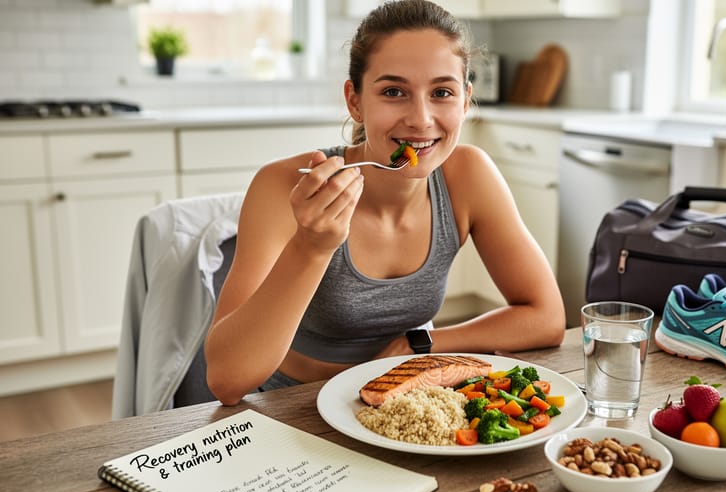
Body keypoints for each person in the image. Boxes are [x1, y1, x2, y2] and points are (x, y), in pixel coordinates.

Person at [205, 0, 565, 406]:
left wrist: (420, 343)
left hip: (407, 403)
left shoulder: (468, 176)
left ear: (465, 101)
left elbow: (546, 316)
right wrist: (312, 246)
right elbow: (226, 380)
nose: (421, 119)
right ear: (355, 100)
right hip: (296, 406)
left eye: (442, 92)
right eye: (394, 92)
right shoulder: (280, 185)